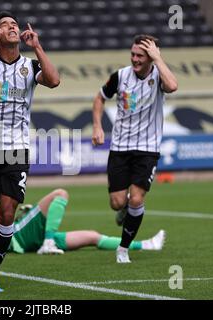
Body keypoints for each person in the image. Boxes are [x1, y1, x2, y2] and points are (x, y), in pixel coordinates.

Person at [0, 11, 60, 292]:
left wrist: (38, 47)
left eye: (14, 25)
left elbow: (54, 81)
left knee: (7, 215)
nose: (11, 27)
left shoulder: (30, 67)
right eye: (4, 25)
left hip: (17, 150)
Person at [91, 34, 178, 264]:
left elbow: (173, 86)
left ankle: (123, 248)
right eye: (133, 54)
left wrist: (158, 59)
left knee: (137, 200)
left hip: (147, 149)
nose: (135, 59)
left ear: (151, 56)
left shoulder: (159, 76)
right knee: (117, 203)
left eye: (140, 55)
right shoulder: (120, 76)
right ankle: (125, 209)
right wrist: (98, 127)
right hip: (120, 147)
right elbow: (99, 99)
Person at [0, 188, 166, 256]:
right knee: (60, 194)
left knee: (91, 236)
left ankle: (144, 244)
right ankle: (48, 242)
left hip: (23, 238)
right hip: (19, 235)